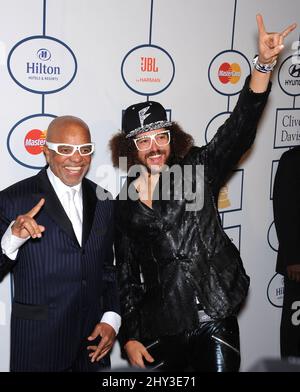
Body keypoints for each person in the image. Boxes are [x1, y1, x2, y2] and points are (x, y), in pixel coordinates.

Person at [109, 15, 296, 372]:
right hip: (161, 325)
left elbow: (238, 131)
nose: (155, 147)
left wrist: (263, 65)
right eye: (144, 140)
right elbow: (127, 274)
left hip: (214, 313)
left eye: (161, 136)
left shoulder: (197, 168)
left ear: (172, 138)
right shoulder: (123, 204)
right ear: (130, 148)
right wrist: (130, 336)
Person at [0, 115, 120, 372]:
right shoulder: (12, 200)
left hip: (92, 346)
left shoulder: (104, 199)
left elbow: (108, 269)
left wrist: (111, 319)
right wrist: (12, 239)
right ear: (46, 152)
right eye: (65, 149)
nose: (77, 159)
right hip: (38, 346)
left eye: (85, 149)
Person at [273, 147, 300, 358]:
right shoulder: (292, 159)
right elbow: (283, 210)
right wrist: (293, 258)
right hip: (297, 266)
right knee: (295, 328)